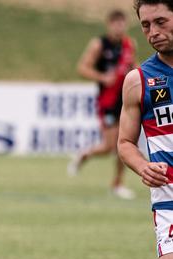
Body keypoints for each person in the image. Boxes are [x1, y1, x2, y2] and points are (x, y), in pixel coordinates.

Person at [103, 0, 173, 259]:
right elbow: (125, 143)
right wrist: (142, 166)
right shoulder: (139, 80)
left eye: (161, 21)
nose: (153, 32)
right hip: (170, 202)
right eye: (146, 25)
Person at [68, 9, 137, 200]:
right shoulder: (99, 44)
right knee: (109, 146)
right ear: (109, 24)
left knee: (125, 143)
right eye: (115, 23)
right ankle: (85, 154)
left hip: (125, 99)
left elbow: (134, 67)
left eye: (122, 23)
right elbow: (82, 68)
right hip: (106, 101)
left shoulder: (129, 45)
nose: (119, 27)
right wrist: (102, 77)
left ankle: (117, 184)